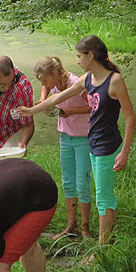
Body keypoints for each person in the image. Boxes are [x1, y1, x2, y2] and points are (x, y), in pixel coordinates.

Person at [18, 35, 135, 245]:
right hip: (94, 142)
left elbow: (129, 117)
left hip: (107, 145)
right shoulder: (87, 78)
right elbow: (56, 98)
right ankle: (106, 238)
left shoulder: (114, 81)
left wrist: (124, 152)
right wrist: (31, 110)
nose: (78, 60)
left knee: (103, 197)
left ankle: (101, 249)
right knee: (104, 196)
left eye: (80, 56)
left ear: (91, 55)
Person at [35, 56, 93, 239]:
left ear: (56, 74)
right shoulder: (53, 83)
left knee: (82, 183)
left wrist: (72, 112)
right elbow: (45, 87)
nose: (43, 83)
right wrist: (43, 100)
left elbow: (94, 105)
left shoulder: (76, 84)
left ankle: (84, 227)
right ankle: (70, 225)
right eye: (41, 80)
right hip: (65, 137)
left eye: (45, 79)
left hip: (83, 137)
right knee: (68, 182)